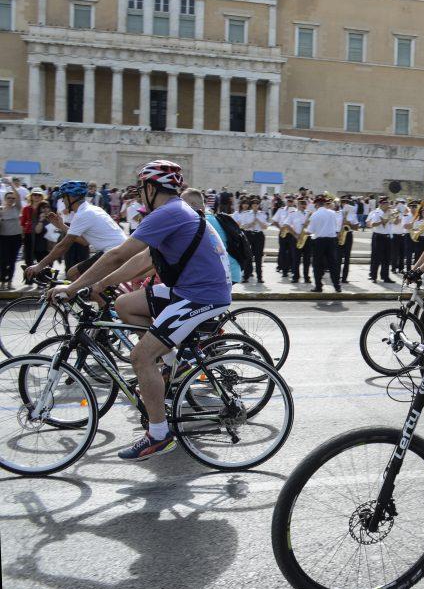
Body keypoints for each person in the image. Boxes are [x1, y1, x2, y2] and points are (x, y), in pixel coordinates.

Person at [48, 160, 231, 461]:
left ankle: (159, 435)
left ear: (150, 187)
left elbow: (118, 254)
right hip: (190, 290)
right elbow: (143, 260)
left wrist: (70, 288)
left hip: (201, 296)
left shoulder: (170, 212)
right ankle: (174, 361)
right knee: (124, 304)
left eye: (140, 187)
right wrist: (102, 284)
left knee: (140, 356)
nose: (138, 194)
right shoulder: (173, 212)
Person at [25, 180, 127, 283]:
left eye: (63, 197)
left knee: (79, 278)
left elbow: (63, 246)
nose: (63, 202)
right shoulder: (92, 209)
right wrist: (61, 226)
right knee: (73, 274)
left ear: (71, 197)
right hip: (118, 249)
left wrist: (39, 266)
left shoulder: (83, 214)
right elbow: (84, 241)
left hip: (112, 253)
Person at [307, 195, 341, 292]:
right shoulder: (333, 213)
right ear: (324, 204)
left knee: (317, 264)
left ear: (316, 204)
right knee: (333, 264)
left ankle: (318, 286)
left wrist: (304, 229)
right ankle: (337, 286)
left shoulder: (314, 215)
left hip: (319, 241)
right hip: (331, 240)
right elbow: (336, 227)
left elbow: (310, 231)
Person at [236, 196, 268, 283]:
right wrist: (251, 224)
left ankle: (259, 277)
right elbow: (242, 226)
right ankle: (246, 276)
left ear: (259, 205)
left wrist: (258, 221)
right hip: (249, 234)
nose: (255, 206)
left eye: (257, 205)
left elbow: (265, 227)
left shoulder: (262, 214)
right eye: (254, 205)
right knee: (248, 256)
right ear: (251, 206)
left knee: (258, 257)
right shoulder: (246, 214)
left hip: (259, 235)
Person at [366, 196, 394, 283]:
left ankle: (385, 277)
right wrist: (383, 221)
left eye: (388, 203)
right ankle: (373, 276)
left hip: (387, 237)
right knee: (376, 258)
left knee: (387, 258)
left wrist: (393, 216)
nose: (388, 205)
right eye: (386, 203)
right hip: (378, 236)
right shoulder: (376, 212)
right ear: (382, 204)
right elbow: (372, 224)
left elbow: (395, 222)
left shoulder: (390, 212)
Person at [0, 190, 23, 289]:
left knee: (12, 260)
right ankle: (2, 282)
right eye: (8, 198)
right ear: (5, 199)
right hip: (3, 238)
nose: (11, 200)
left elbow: (18, 195)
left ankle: (10, 281)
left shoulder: (17, 208)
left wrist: (11, 184)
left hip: (16, 237)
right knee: (3, 261)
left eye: (12, 198)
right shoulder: (0, 210)